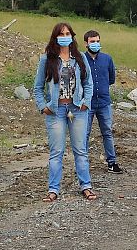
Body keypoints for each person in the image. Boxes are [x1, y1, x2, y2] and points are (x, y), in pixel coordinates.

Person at [34, 23, 95, 202]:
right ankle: (53, 189)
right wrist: (43, 106)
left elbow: (88, 83)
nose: (65, 37)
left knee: (80, 150)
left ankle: (86, 186)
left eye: (68, 33)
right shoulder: (47, 59)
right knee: (56, 152)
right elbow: (37, 87)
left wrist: (86, 102)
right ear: (55, 38)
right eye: (61, 34)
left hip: (77, 109)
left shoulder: (80, 57)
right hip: (56, 111)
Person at [83, 30, 121, 173]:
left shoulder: (107, 59)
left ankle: (112, 162)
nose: (95, 44)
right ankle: (83, 163)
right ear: (86, 43)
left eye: (97, 41)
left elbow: (111, 78)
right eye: (92, 41)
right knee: (84, 133)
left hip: (104, 102)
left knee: (107, 132)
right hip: (87, 103)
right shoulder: (82, 59)